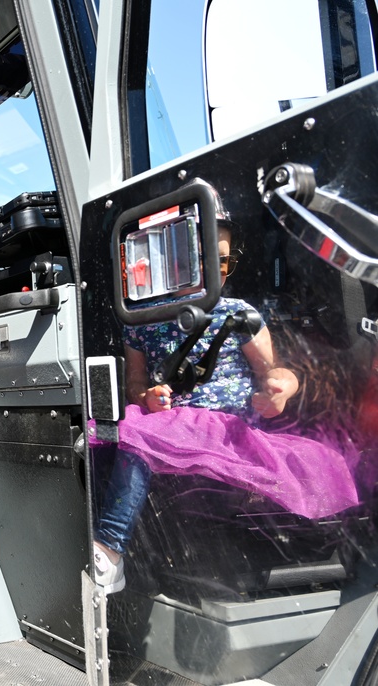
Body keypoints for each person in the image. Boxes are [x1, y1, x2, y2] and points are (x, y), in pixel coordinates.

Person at [91, 208, 361, 595]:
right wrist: (147, 395)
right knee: (136, 425)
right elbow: (134, 384)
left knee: (143, 431)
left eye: (222, 262)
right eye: (199, 259)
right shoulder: (141, 318)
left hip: (233, 430)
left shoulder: (239, 314)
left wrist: (280, 390)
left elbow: (277, 373)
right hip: (173, 425)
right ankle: (110, 549)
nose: (212, 271)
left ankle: (110, 546)